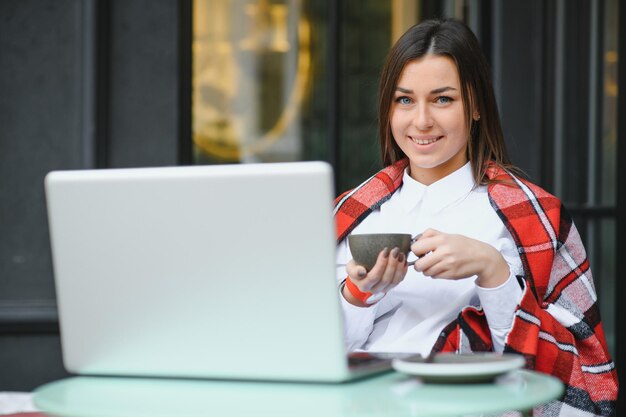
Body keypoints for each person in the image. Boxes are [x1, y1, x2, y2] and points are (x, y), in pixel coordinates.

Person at [334, 18, 618, 416]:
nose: (421, 121)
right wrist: (357, 296)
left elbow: (580, 375)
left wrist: (494, 272)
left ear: (477, 106)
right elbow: (307, 358)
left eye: (443, 99)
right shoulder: (353, 213)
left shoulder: (531, 217)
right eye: (404, 100)